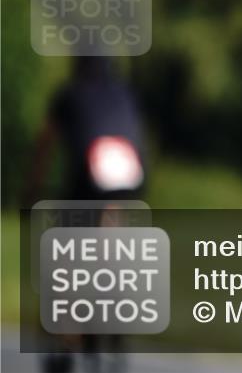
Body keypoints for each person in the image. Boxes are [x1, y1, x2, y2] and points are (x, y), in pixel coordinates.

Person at [25, 54, 147, 373]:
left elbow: (44, 147)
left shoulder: (69, 95)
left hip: (90, 175)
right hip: (129, 177)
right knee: (108, 238)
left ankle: (68, 336)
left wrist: (31, 192)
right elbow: (138, 138)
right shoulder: (124, 94)